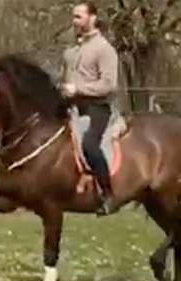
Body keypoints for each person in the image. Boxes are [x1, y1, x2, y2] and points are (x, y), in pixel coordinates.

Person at [61, 1, 118, 216]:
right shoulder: (72, 51)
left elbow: (109, 84)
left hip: (97, 108)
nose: (74, 21)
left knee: (90, 145)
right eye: (74, 17)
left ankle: (108, 194)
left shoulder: (104, 49)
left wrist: (78, 89)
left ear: (92, 18)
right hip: (71, 108)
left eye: (79, 16)